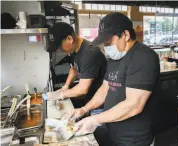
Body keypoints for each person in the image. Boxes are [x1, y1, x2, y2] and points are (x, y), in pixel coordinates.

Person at [65, 12, 160, 146]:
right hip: (113, 132)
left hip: (134, 140)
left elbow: (134, 105)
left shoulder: (144, 57)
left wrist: (95, 120)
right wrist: (84, 109)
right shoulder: (115, 57)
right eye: (104, 43)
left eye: (109, 41)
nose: (106, 46)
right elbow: (105, 89)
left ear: (125, 35)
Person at [43, 22, 107, 109]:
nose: (60, 50)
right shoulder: (75, 50)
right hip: (90, 97)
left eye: (60, 47)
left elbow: (82, 89)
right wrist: (66, 86)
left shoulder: (90, 53)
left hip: (101, 102)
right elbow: (74, 68)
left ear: (70, 39)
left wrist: (61, 95)